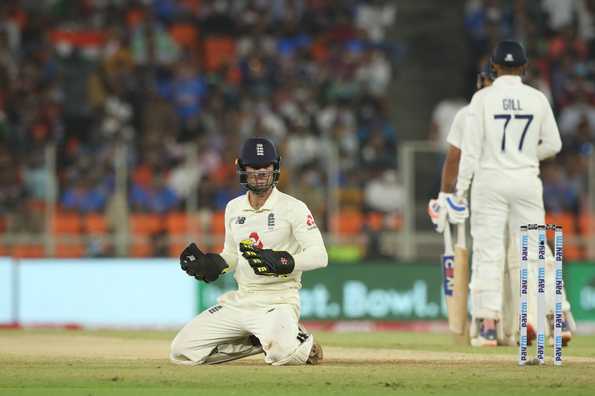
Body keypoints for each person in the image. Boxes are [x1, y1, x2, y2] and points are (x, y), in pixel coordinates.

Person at [455, 40, 574, 347]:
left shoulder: (482, 99)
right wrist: (526, 157)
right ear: (524, 67)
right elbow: (555, 145)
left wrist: (460, 190)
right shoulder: (537, 98)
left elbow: (470, 151)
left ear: (494, 67)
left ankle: (490, 325)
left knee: (488, 252)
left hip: (490, 181)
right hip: (526, 181)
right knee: (535, 253)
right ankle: (553, 319)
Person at [170, 137, 328, 366]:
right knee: (182, 352)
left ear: (276, 168)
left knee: (283, 355)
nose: (261, 172)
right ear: (242, 168)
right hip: (241, 301)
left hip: (278, 302)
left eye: (266, 167)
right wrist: (214, 264)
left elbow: (320, 255)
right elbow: (232, 255)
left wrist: (286, 261)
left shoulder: (293, 208)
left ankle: (300, 340)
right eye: (254, 167)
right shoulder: (233, 208)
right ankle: (256, 341)